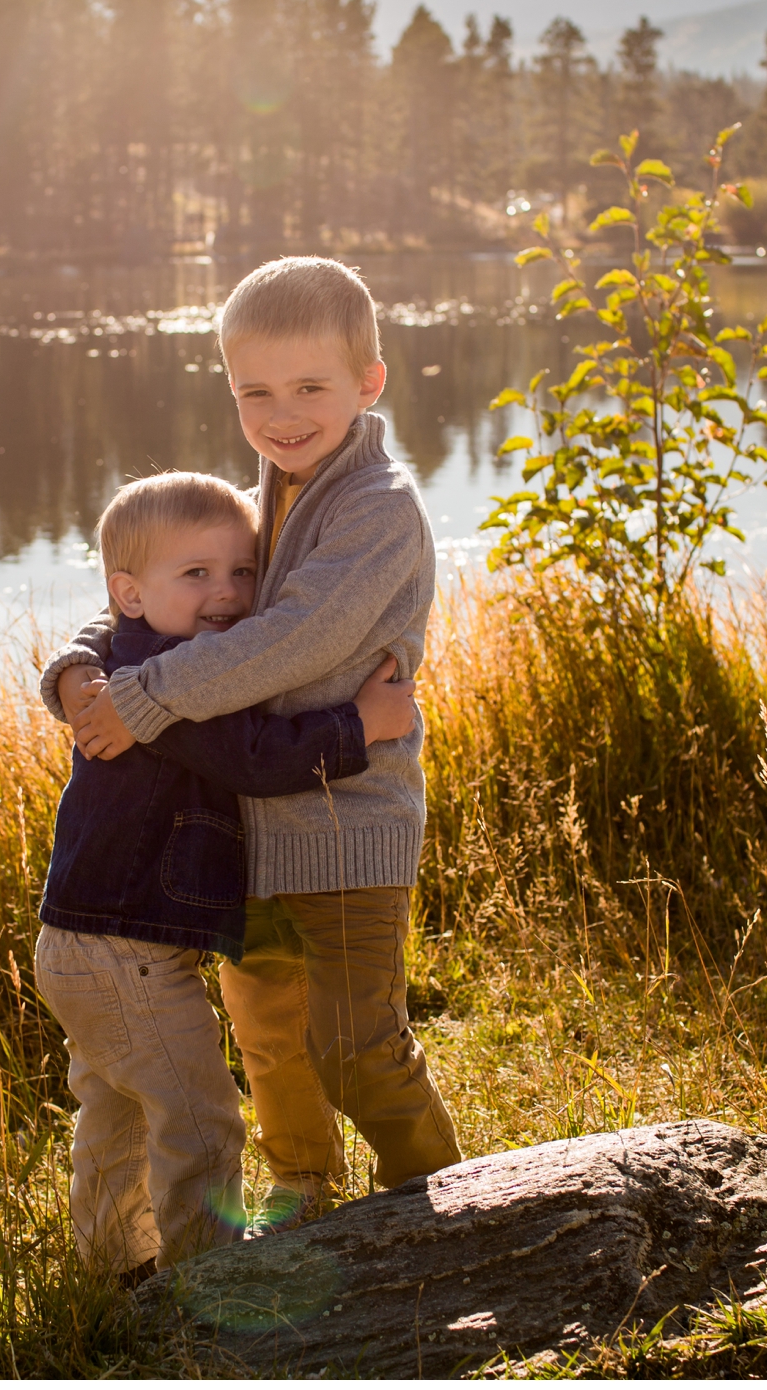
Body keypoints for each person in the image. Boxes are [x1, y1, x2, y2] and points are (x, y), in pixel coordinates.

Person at [42, 257, 462, 1241]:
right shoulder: (262, 498)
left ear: (369, 383)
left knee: (357, 1043)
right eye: (255, 392)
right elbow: (154, 598)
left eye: (310, 387)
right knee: (270, 1036)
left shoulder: (377, 508)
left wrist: (141, 699)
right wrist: (75, 668)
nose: (282, 413)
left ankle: (449, 1218)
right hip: (251, 835)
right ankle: (306, 1197)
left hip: (347, 827)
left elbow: (295, 639)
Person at [34, 469, 420, 1285]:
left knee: (117, 1109)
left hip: (75, 940)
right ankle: (206, 1278)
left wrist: (70, 670)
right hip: (127, 951)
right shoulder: (170, 691)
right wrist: (359, 727)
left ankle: (112, 1271)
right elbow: (255, 760)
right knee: (201, 1117)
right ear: (132, 594)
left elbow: (103, 634)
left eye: (242, 572)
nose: (228, 594)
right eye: (198, 575)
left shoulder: (129, 653)